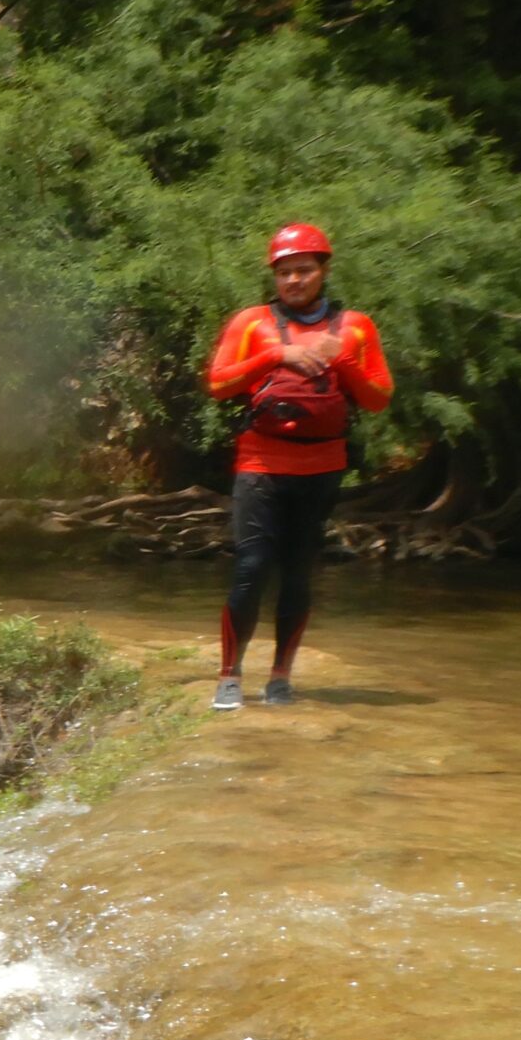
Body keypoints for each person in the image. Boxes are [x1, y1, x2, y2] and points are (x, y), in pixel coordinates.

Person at [203, 222, 394, 708]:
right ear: (274, 276)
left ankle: (281, 677)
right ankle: (230, 676)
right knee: (250, 565)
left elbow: (378, 399)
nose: (294, 280)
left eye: (304, 270)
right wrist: (275, 355)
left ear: (323, 270)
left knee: (297, 572)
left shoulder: (356, 327)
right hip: (260, 461)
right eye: (285, 272)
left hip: (322, 466)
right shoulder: (251, 322)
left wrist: (342, 361)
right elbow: (219, 384)